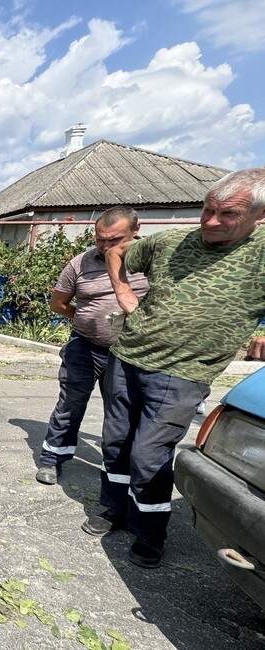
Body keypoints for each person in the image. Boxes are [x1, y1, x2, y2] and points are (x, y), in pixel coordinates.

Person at [87, 168, 265, 569]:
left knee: (149, 455)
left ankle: (149, 532)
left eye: (228, 214)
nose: (211, 221)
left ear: (260, 215)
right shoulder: (170, 241)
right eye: (208, 210)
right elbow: (117, 252)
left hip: (183, 373)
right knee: (116, 443)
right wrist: (123, 290)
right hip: (127, 358)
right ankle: (113, 510)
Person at [35, 207, 149, 485]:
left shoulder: (150, 263)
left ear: (136, 231)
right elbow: (58, 304)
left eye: (115, 239)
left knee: (121, 411)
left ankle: (117, 471)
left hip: (129, 351)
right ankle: (53, 458)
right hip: (84, 347)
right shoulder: (80, 264)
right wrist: (87, 319)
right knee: (70, 403)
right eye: (100, 239)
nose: (106, 246)